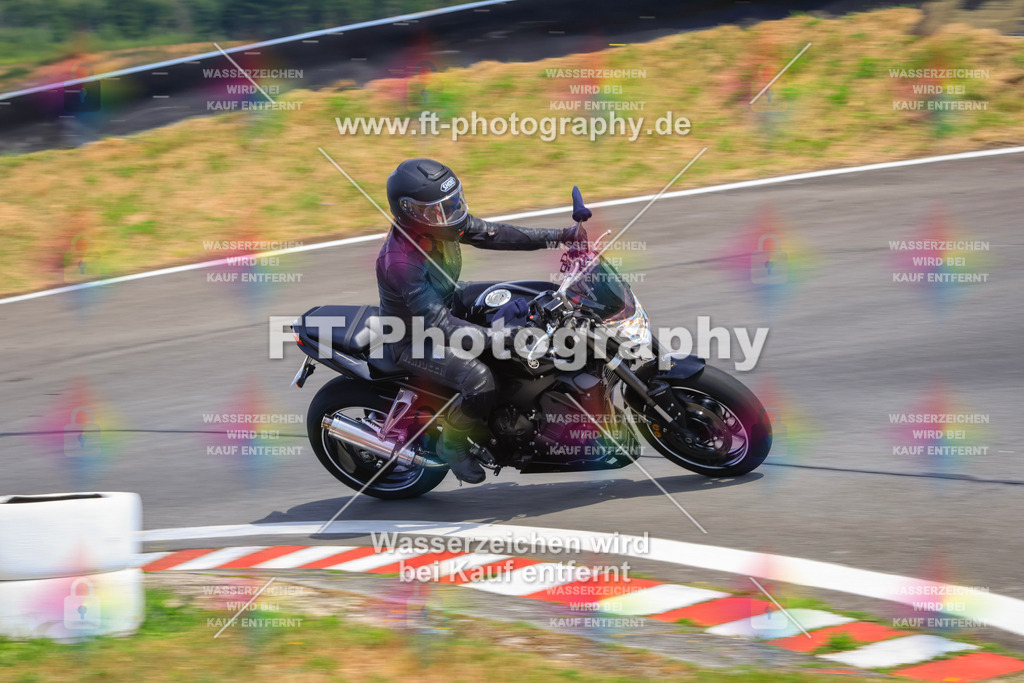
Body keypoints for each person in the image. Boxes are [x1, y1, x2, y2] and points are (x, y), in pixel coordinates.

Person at [376, 158, 585, 484]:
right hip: (415, 337)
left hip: (448, 303)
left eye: (453, 202)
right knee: (480, 380)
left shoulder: (439, 225)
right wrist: (501, 338)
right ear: (410, 212)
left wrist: (560, 235)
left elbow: (494, 233)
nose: (452, 213)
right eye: (440, 209)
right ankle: (453, 444)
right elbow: (440, 326)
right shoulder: (400, 262)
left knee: (526, 295)